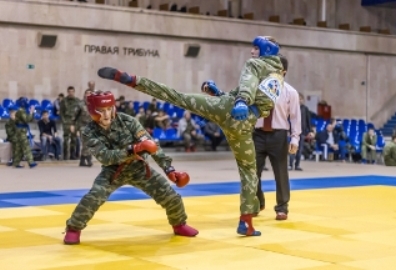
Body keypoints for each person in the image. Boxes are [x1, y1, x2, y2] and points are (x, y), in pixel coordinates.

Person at [97, 36, 283, 237]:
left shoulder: (255, 64)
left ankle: (133, 80)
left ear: (266, 50)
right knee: (249, 171)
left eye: (256, 48)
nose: (252, 52)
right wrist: (219, 93)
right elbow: (260, 101)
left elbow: (248, 81)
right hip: (244, 123)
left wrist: (241, 101)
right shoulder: (278, 76)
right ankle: (246, 221)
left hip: (230, 108)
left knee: (178, 97)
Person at [63, 91, 198, 245]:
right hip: (113, 171)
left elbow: (152, 145)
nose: (106, 114)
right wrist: (133, 149)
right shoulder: (89, 132)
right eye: (101, 110)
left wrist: (169, 169)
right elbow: (105, 157)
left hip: (138, 168)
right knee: (95, 195)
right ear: (92, 111)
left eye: (109, 109)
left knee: (170, 195)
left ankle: (179, 224)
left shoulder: (128, 121)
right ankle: (73, 228)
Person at [253, 55, 301, 220]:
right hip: (257, 134)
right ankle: (257, 202)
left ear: (284, 71)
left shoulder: (291, 92)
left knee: (281, 173)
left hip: (279, 135)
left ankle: (282, 207)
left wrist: (295, 138)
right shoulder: (257, 88)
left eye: (276, 67)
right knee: (252, 172)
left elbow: (295, 117)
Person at [13, 97, 37, 168]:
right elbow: (26, 119)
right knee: (26, 146)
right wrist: (31, 112)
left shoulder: (22, 110)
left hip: (21, 131)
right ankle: (31, 162)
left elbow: (29, 119)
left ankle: (16, 163)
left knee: (19, 148)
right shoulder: (21, 110)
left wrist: (31, 114)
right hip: (21, 131)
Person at [74, 89, 94, 167]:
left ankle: (82, 160)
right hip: (83, 126)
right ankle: (88, 159)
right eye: (87, 93)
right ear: (84, 95)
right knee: (86, 143)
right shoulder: (80, 104)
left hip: (92, 126)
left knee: (90, 142)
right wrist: (73, 125)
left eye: (90, 93)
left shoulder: (94, 104)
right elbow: (75, 115)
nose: (88, 95)